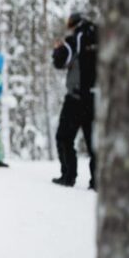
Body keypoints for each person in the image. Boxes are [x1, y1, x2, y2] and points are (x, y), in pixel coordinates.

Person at [51, 13, 97, 189]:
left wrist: (57, 50)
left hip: (77, 98)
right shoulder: (102, 37)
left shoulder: (75, 39)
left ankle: (68, 176)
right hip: (98, 98)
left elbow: (60, 61)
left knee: (64, 137)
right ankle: (98, 182)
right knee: (94, 142)